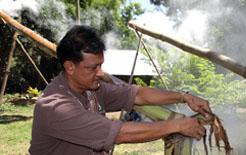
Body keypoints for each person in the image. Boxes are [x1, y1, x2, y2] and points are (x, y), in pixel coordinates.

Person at [29, 25, 212, 155]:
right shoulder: (55, 107)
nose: (100, 73)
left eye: (100, 65)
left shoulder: (92, 87)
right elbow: (119, 133)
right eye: (93, 68)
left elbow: (137, 94)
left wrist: (183, 97)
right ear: (70, 67)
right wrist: (177, 125)